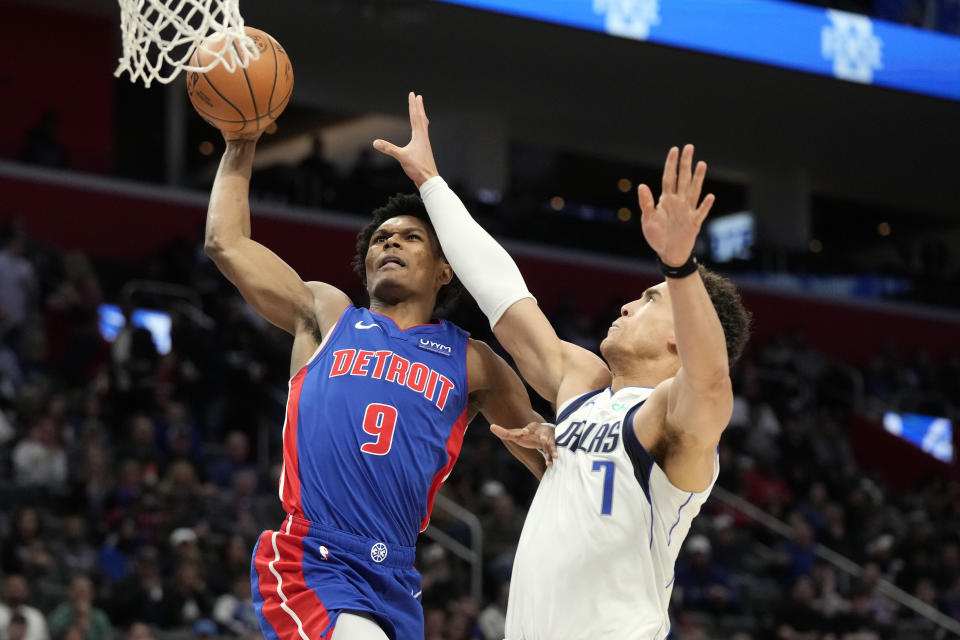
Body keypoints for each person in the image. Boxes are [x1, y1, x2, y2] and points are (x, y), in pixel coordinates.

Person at [375, 93, 750, 639]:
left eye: (649, 300)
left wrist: (679, 268)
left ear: (679, 338)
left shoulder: (672, 418)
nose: (627, 305)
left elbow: (711, 376)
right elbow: (504, 299)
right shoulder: (583, 386)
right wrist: (431, 183)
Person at [204, 112, 554, 640]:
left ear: (445, 269)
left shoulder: (474, 362)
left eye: (410, 237)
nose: (389, 243)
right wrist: (240, 145)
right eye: (380, 238)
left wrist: (555, 442)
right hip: (314, 557)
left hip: (394, 576)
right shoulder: (327, 315)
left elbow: (547, 463)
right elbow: (226, 244)